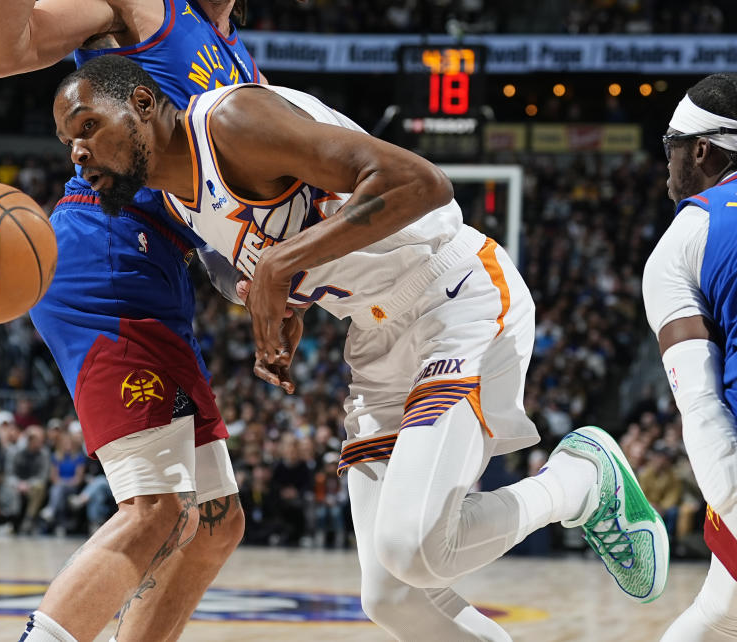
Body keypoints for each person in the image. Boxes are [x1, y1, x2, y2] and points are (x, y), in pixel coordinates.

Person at [54, 55, 672, 639]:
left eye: (89, 125)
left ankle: (580, 480)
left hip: (454, 297)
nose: (79, 151)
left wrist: (279, 267)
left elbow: (421, 182)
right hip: (376, 338)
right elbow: (303, 238)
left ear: (141, 102)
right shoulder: (172, 198)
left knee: (415, 546)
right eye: (67, 140)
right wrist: (289, 301)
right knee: (391, 598)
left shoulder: (231, 123)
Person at [0, 1, 259, 639]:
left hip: (163, 267)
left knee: (215, 520)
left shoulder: (237, 55)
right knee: (159, 510)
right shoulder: (141, 6)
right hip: (104, 250)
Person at [641, 72, 737, 641]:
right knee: (718, 615)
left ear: (700, 150)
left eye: (670, 146)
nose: (667, 163)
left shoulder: (684, 240)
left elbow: (700, 408)